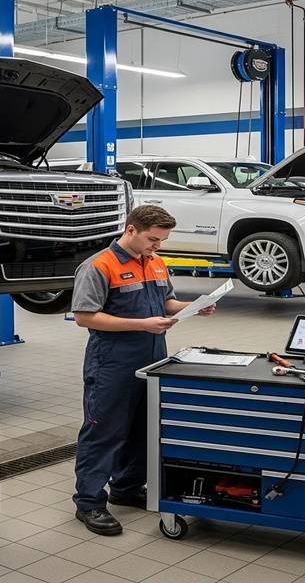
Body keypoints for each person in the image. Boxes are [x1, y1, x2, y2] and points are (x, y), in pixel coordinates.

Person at [70, 205, 216, 535]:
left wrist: (195, 306)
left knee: (143, 428)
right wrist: (142, 324)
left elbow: (166, 303)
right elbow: (84, 316)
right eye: (152, 239)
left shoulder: (155, 262)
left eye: (162, 240)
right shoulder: (98, 266)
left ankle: (126, 488)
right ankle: (89, 502)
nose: (157, 246)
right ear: (131, 230)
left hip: (152, 359)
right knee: (104, 432)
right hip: (111, 362)